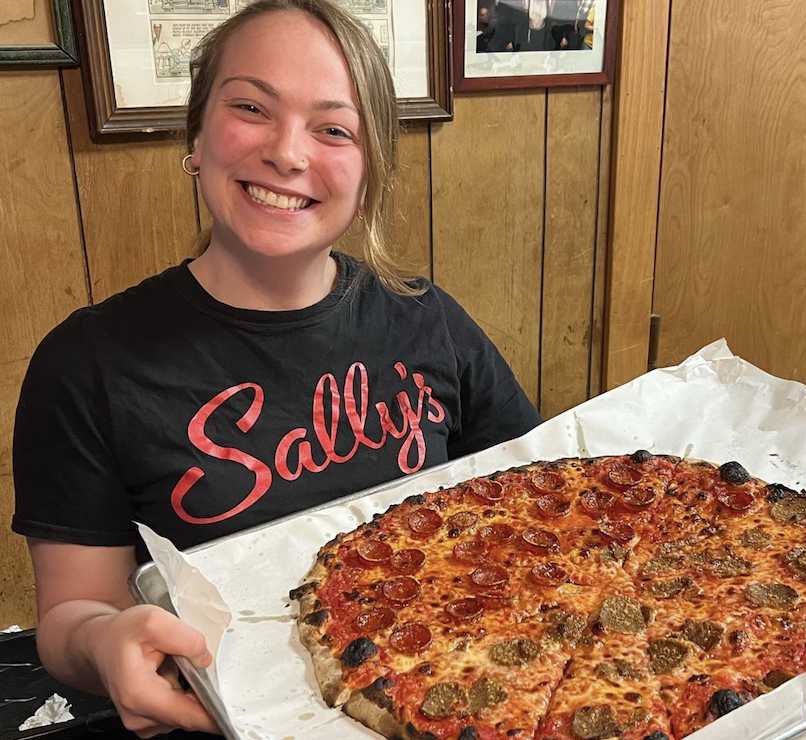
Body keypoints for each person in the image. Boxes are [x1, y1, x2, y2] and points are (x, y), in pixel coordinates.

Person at [10, 1, 541, 737]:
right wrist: (104, 642)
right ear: (197, 135)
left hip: (466, 693)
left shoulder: (429, 319)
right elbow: (72, 615)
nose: (289, 153)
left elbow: (534, 501)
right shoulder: (85, 364)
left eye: (333, 129)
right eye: (252, 108)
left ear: (370, 170)